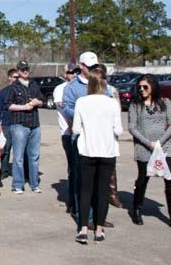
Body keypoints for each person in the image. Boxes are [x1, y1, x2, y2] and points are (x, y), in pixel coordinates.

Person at [62, 52, 118, 226]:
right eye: (89, 67)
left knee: (100, 182)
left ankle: (100, 217)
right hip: (82, 139)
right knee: (83, 182)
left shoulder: (104, 85)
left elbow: (111, 110)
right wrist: (86, 115)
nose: (93, 69)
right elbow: (67, 109)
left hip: (102, 139)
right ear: (81, 66)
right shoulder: (72, 87)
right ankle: (87, 218)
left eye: (95, 66)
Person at [72, 66, 122, 244]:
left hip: (87, 150)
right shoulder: (112, 103)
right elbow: (119, 130)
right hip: (107, 151)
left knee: (85, 190)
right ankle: (99, 229)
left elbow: (76, 129)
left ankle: (83, 228)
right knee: (102, 192)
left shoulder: (82, 102)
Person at [128, 74, 171, 232]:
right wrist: (148, 143)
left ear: (153, 86)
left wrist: (160, 142)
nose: (142, 90)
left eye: (145, 87)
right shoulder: (135, 105)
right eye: (139, 87)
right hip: (144, 147)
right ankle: (137, 210)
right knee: (142, 179)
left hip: (165, 147)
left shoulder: (166, 103)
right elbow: (132, 127)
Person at [5, 60, 43, 194]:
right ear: (18, 71)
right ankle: (18, 184)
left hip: (34, 125)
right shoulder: (13, 87)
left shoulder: (34, 84)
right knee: (18, 157)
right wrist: (24, 107)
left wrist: (36, 102)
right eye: (22, 69)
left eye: (26, 68)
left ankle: (34, 184)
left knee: (34, 156)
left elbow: (41, 100)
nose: (25, 71)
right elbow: (8, 105)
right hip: (19, 125)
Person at [53, 62, 80, 214]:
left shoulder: (81, 87)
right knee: (74, 169)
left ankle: (77, 201)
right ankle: (72, 202)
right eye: (70, 73)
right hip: (68, 134)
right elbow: (66, 112)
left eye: (76, 72)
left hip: (80, 134)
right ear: (65, 74)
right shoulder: (60, 89)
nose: (73, 75)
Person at [0, 68, 19, 180]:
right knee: (5, 148)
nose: (16, 79)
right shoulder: (3, 91)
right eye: (14, 77)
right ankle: (4, 170)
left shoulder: (23, 90)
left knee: (20, 149)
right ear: (9, 77)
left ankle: (21, 172)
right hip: (7, 124)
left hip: (19, 124)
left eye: (18, 77)